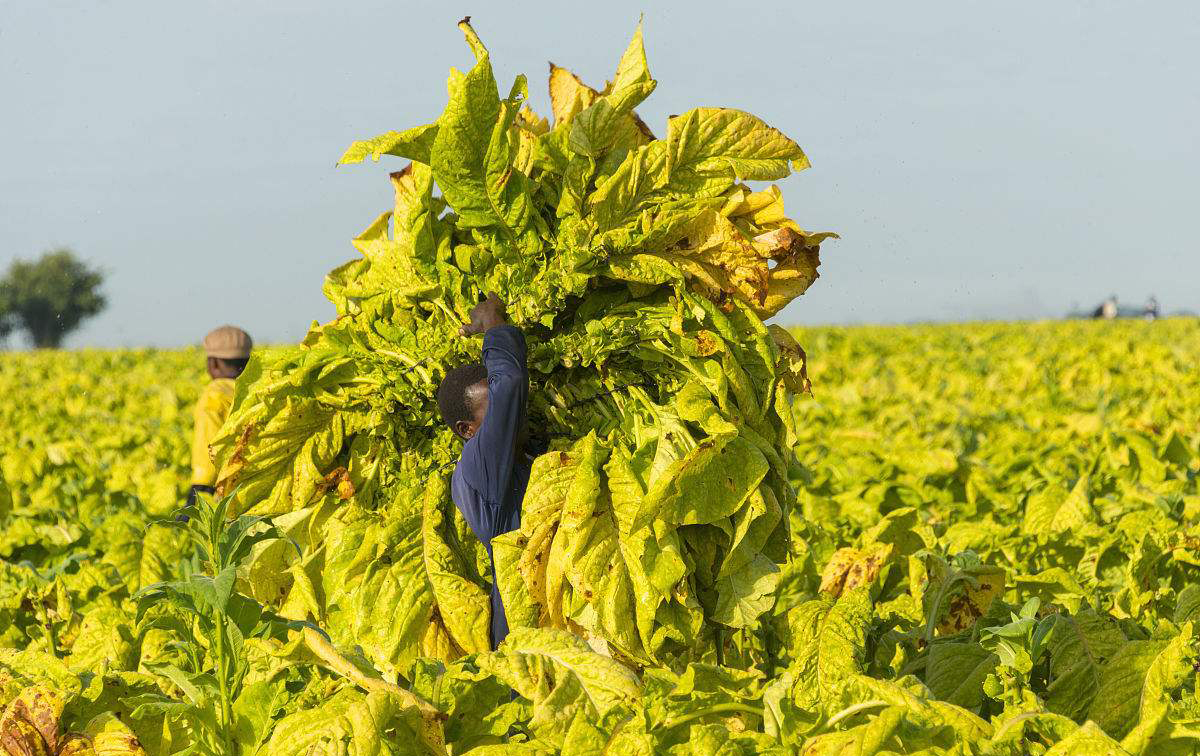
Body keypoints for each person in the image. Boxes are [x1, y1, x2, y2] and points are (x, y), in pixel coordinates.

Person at [436, 293, 532, 650]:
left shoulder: (512, 459)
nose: (509, 415)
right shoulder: (477, 466)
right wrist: (493, 322)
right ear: (466, 430)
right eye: (492, 412)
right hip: (523, 625)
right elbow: (509, 385)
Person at [190, 325, 253, 505]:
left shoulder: (215, 395)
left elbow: (208, 444)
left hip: (227, 489)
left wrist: (200, 486)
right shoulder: (261, 389)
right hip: (259, 483)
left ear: (213, 363)